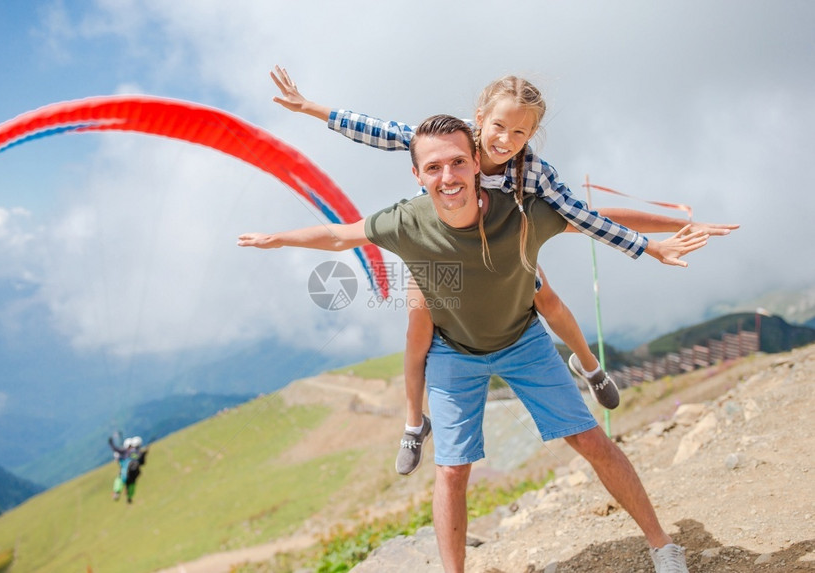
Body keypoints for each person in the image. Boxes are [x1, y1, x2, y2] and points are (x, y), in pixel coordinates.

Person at [237, 115, 730, 572]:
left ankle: (663, 545)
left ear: (476, 162)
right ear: (417, 174)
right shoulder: (404, 222)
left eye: (457, 162)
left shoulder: (523, 214)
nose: (447, 176)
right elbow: (339, 235)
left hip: (524, 340)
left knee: (590, 440)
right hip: (453, 354)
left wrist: (677, 226)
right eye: (433, 167)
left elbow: (596, 218)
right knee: (452, 471)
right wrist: (279, 239)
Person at [269, 67, 739, 476]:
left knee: (545, 298)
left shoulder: (533, 172)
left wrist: (651, 245)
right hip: (441, 249)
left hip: (502, 251)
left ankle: (589, 367)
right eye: (498, 127)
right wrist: (308, 107)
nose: (505, 141)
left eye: (520, 133)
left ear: (531, 135)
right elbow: (377, 129)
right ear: (480, 120)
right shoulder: (453, 142)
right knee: (418, 328)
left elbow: (585, 215)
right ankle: (415, 423)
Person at [108, 435, 148, 504]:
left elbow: (116, 450)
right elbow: (142, 463)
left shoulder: (126, 451)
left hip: (125, 473)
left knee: (119, 479)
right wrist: (144, 454)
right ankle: (129, 497)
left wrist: (111, 443)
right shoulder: (139, 453)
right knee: (132, 484)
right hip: (134, 476)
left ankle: (117, 492)